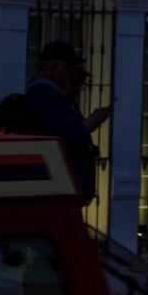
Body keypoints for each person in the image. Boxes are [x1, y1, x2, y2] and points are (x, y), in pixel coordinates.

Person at [24, 40, 112, 204]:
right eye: (68, 68)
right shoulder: (43, 93)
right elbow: (67, 133)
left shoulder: (54, 94)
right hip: (58, 189)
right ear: (53, 67)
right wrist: (92, 121)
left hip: (66, 187)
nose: (71, 74)